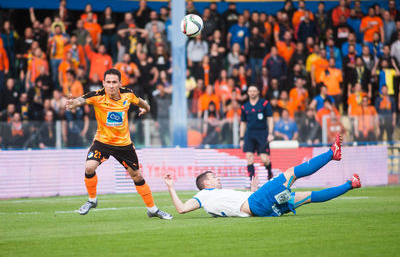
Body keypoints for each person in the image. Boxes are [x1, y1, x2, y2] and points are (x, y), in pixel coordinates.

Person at [164, 134, 361, 217]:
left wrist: (252, 192)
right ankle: (331, 154)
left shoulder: (212, 203)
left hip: (261, 207)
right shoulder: (204, 195)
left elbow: (234, 207)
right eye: (214, 176)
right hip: (257, 203)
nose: (218, 178)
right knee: (291, 173)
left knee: (307, 197)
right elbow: (181, 209)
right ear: (206, 183)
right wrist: (171, 187)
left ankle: (350, 184)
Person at [65, 68, 172, 219]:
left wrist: (146, 108)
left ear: (120, 83)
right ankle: (92, 200)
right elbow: (80, 100)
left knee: (137, 176)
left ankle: (152, 209)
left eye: (114, 82)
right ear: (103, 83)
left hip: (124, 145)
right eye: (108, 82)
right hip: (102, 142)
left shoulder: (128, 94)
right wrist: (73, 104)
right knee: (89, 167)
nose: (111, 86)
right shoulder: (97, 96)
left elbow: (141, 101)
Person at [240, 85, 274, 181]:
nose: (252, 93)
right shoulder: (244, 106)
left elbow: (270, 119)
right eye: (250, 91)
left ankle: (269, 173)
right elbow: (243, 123)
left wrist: (270, 133)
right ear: (248, 93)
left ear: (258, 92)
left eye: (254, 91)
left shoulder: (264, 103)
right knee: (249, 157)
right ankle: (252, 181)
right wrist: (241, 138)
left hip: (262, 134)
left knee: (264, 159)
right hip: (249, 134)